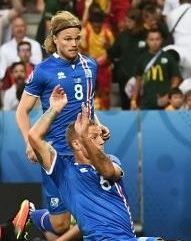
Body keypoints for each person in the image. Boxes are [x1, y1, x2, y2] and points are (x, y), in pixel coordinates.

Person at [15, 10, 103, 240]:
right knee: (60, 224)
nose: (74, 44)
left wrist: (98, 125)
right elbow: (22, 111)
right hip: (54, 154)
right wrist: (29, 143)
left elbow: (88, 104)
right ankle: (33, 214)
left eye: (77, 38)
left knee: (91, 214)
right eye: (67, 39)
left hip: (85, 152)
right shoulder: (43, 70)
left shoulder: (90, 66)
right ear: (55, 38)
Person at [27, 90, 161, 240]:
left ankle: (32, 214)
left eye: (99, 136)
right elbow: (34, 137)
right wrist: (55, 109)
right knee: (60, 224)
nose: (102, 141)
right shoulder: (62, 169)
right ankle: (32, 215)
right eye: (94, 137)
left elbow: (109, 173)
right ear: (77, 144)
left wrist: (86, 138)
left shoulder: (111, 160)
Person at [130, 28, 181, 110]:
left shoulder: (168, 58)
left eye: (157, 39)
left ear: (161, 40)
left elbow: (176, 78)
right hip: (146, 101)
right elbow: (138, 81)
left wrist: (169, 96)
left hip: (165, 101)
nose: (154, 42)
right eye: (151, 39)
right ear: (147, 41)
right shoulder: (142, 59)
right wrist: (133, 100)